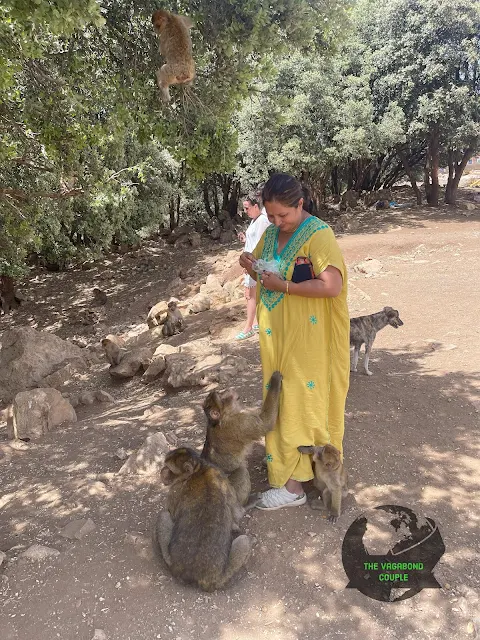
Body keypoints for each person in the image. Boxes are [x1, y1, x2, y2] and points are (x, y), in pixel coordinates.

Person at [239, 173, 350, 510]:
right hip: (277, 338)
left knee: (301, 402)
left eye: (283, 215)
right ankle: (291, 468)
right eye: (270, 216)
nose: (276, 222)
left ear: (300, 204)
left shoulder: (319, 235)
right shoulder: (271, 233)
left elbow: (331, 285)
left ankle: (294, 488)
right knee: (280, 399)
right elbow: (260, 268)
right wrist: (248, 263)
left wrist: (283, 286)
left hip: (309, 340)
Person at [235, 191, 271, 340]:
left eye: (247, 208)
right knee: (253, 294)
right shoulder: (255, 220)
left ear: (256, 206)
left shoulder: (262, 220)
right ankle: (256, 322)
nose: (245, 211)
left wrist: (250, 264)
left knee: (250, 295)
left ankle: (248, 327)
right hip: (251, 261)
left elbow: (260, 244)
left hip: (254, 262)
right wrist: (245, 239)